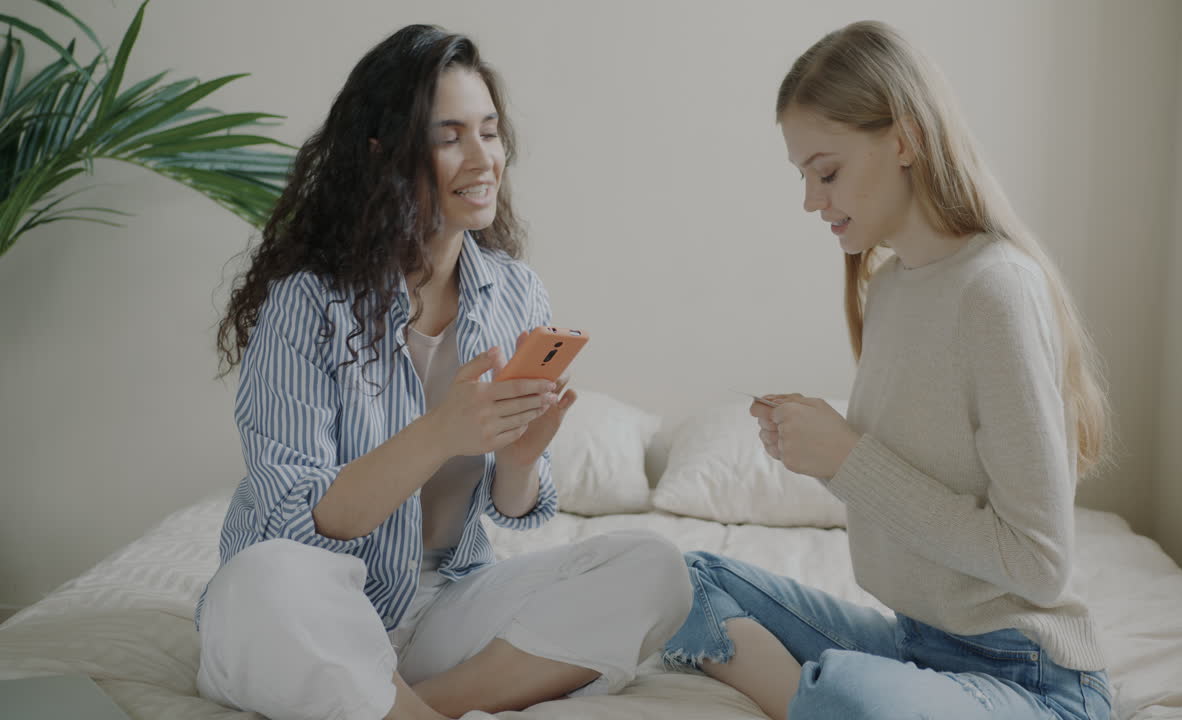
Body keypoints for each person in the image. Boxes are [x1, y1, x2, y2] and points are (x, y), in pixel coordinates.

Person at [197, 25, 691, 720]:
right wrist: (440, 434)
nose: (483, 158)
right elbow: (294, 522)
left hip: (442, 607)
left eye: (490, 132)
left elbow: (514, 508)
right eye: (450, 136)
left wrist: (519, 459)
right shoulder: (307, 302)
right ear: (383, 156)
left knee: (654, 568)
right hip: (317, 607)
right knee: (262, 576)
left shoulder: (515, 292)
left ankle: (404, 707)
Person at [662, 20, 1113, 720]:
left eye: (827, 172)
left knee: (849, 690)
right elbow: (912, 491)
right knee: (684, 579)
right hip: (917, 643)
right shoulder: (893, 287)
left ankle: (824, 700)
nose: (811, 200)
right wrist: (822, 455)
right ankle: (821, 701)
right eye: (804, 176)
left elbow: (1038, 563)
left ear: (903, 141)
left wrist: (848, 459)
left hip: (1029, 677)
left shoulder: (996, 289)